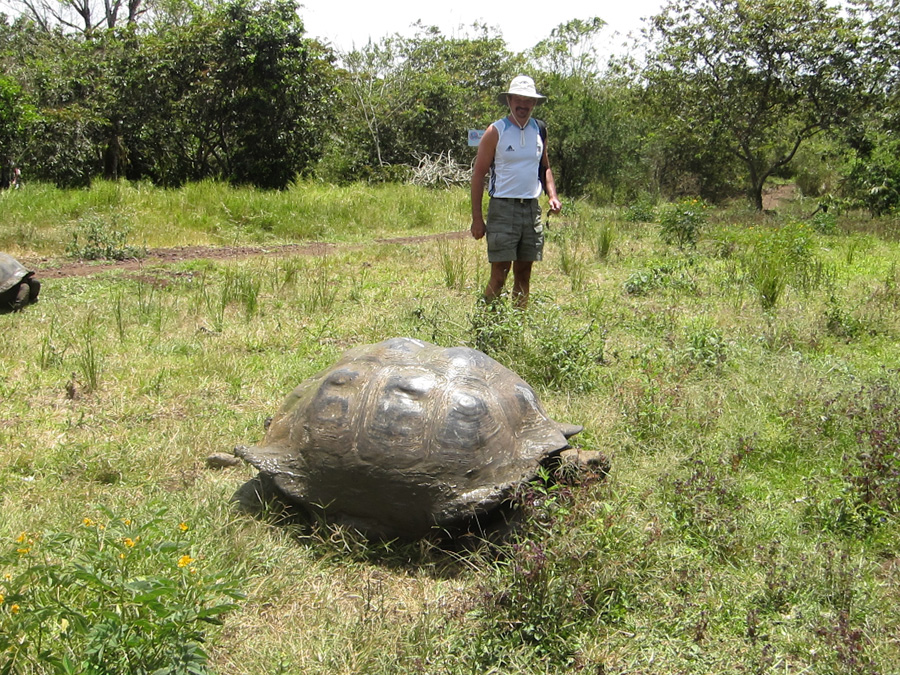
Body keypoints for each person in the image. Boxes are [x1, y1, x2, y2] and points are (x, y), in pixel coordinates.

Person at [470, 75, 562, 308]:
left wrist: (552, 195)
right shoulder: (496, 131)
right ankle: (486, 325)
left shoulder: (539, 130)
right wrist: (477, 219)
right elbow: (478, 175)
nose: (523, 105)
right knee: (499, 275)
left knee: (524, 274)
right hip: (503, 209)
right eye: (518, 100)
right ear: (509, 101)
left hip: (530, 210)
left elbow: (545, 167)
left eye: (527, 100)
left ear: (534, 103)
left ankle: (518, 327)